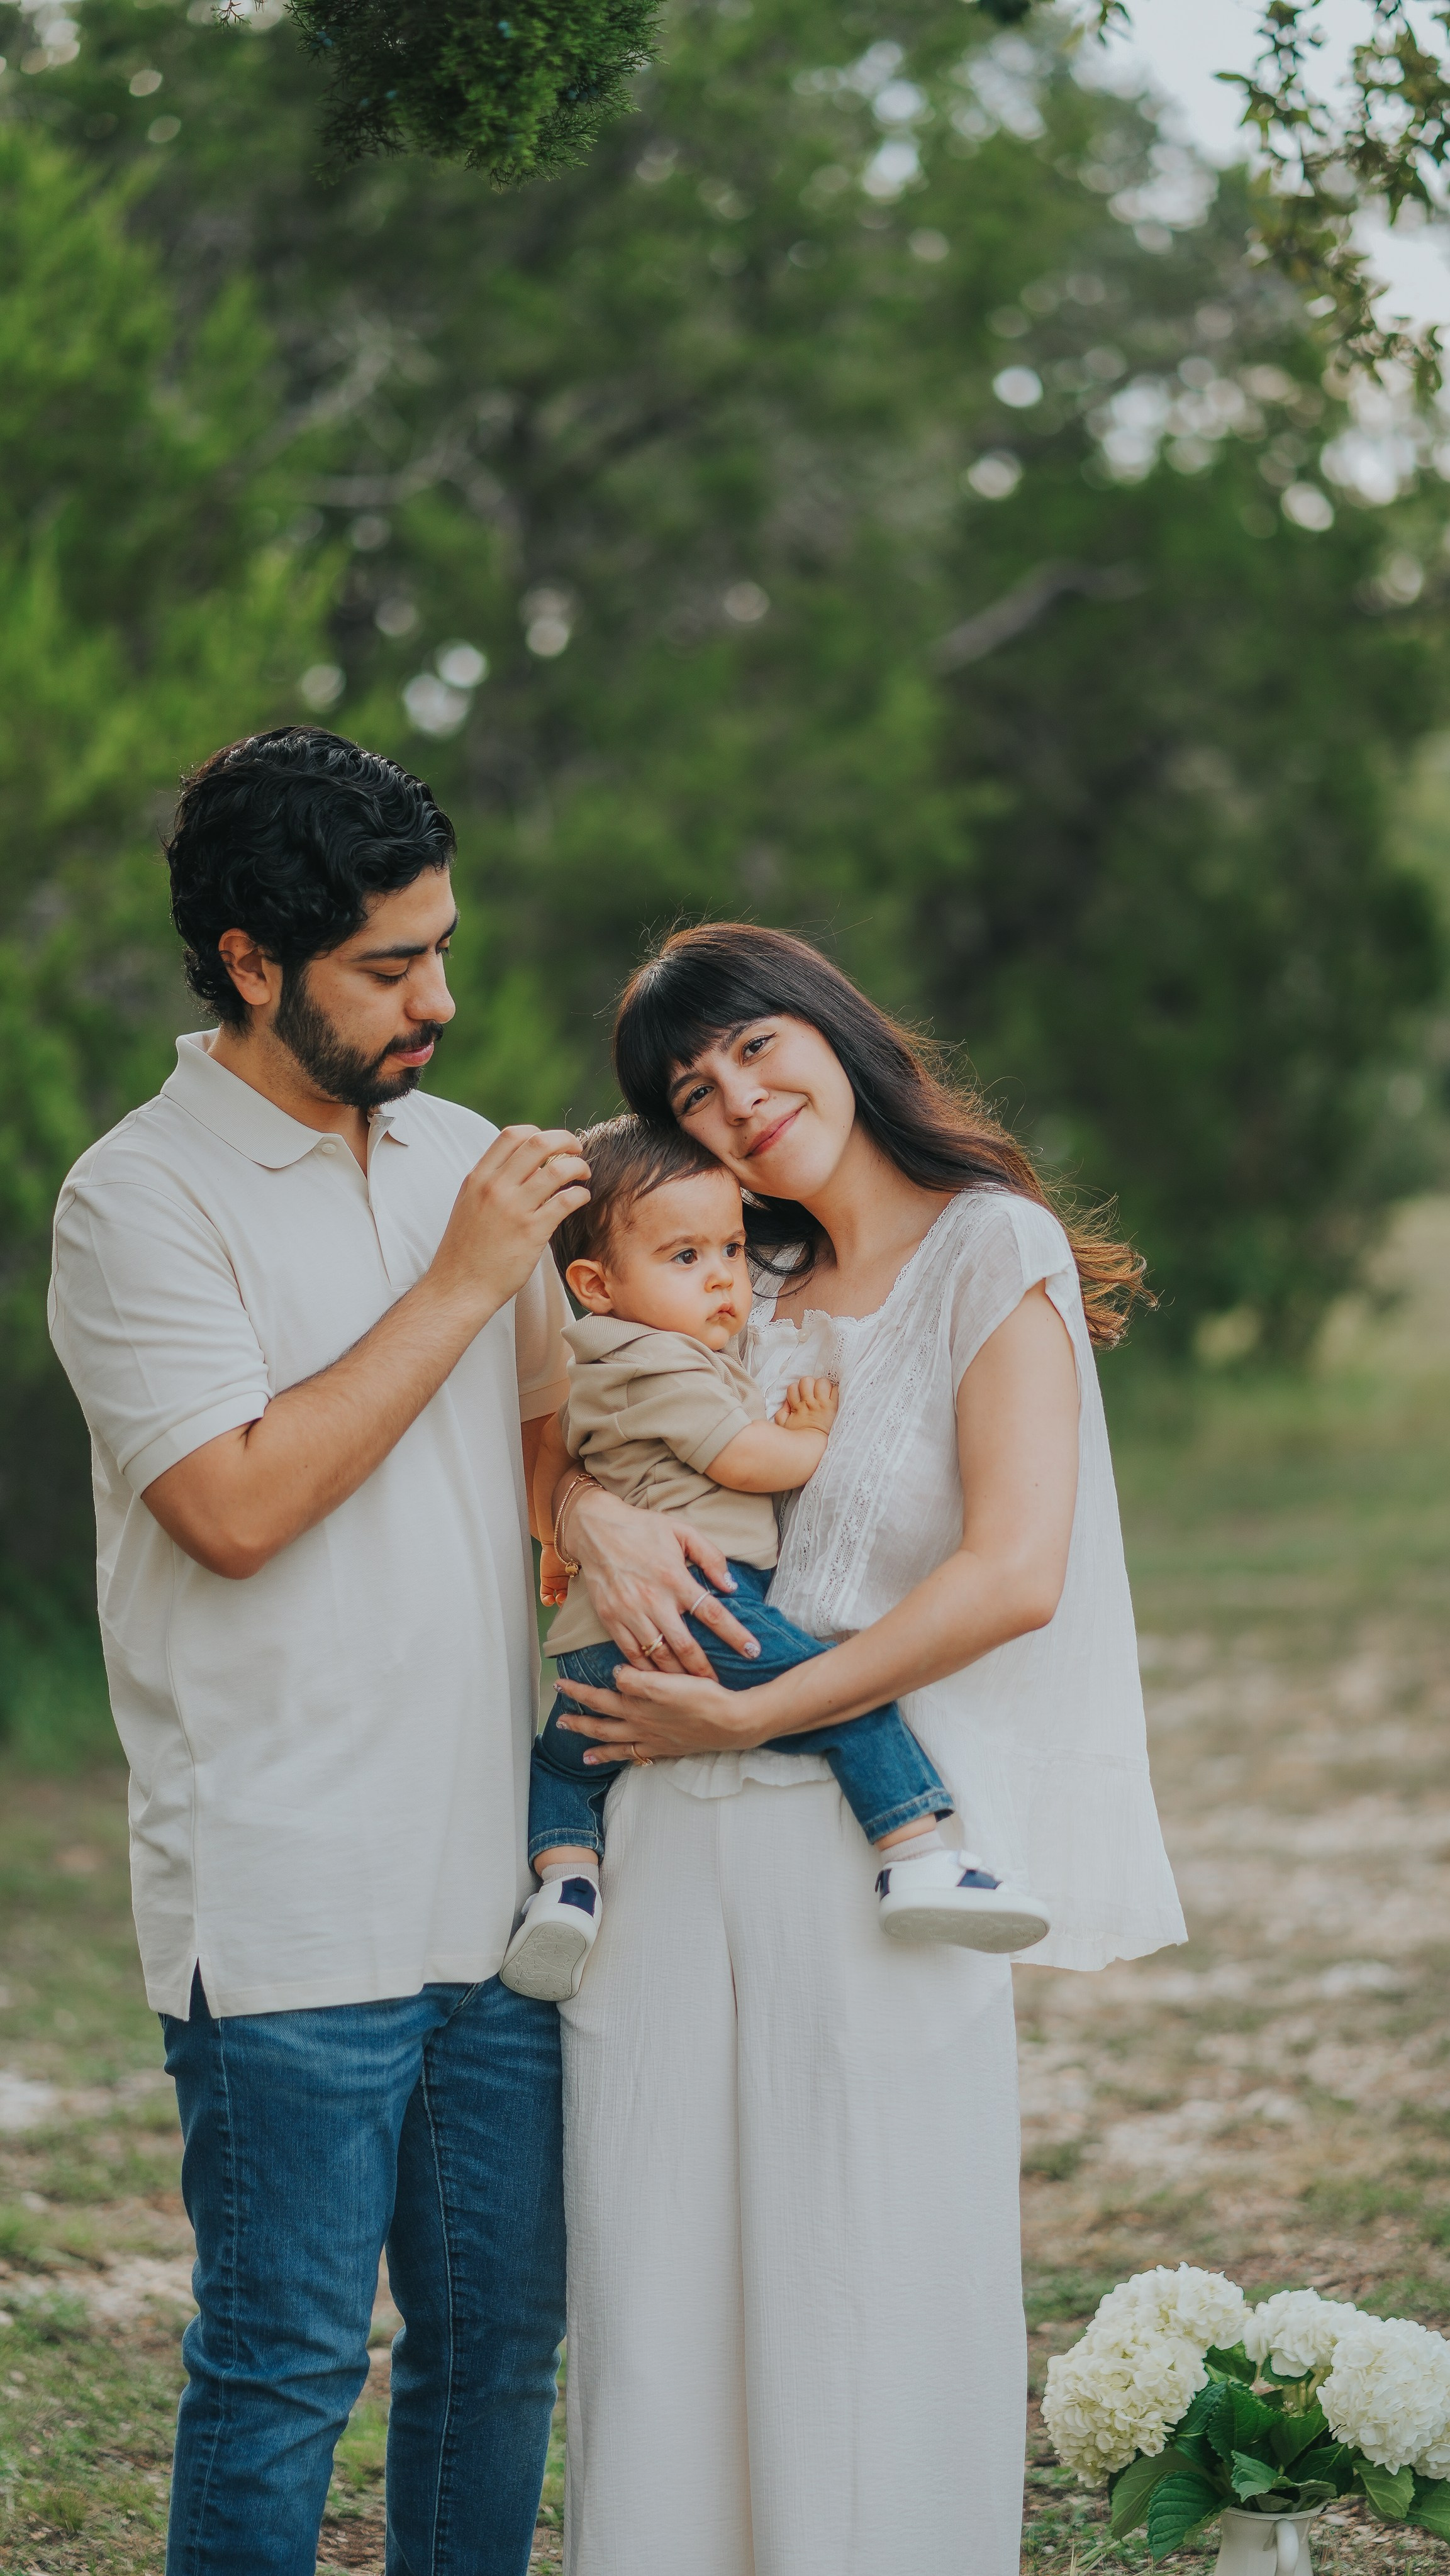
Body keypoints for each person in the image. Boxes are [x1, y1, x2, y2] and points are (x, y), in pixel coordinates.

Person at [45, 729, 764, 2576]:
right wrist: (452, 1279)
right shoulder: (136, 1203)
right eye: (389, 965)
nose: (438, 1000)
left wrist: (579, 1520)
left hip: (504, 1885)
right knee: (284, 2364)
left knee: (496, 2352)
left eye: (441, 948)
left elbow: (553, 1420)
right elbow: (235, 1505)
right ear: (252, 962)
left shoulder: (467, 1161)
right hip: (284, 1893)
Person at [545, 924, 1188, 2576]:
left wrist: (761, 1706)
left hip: (883, 1862)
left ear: (831, 1027)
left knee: (865, 2304)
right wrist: (585, 1510)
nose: (741, 1102)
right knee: (656, 2304)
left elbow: (1010, 1571)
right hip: (662, 1840)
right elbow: (569, 1418)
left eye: (756, 1048)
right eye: (695, 1090)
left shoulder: (994, 1250)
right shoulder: (720, 1282)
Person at [501, 1115, 1051, 2001]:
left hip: (593, 1639)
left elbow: (573, 1470)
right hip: (700, 1608)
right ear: (595, 1284)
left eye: (728, 1246)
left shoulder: (599, 1369)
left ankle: (565, 1888)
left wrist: (562, 1557)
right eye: (684, 1258)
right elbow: (745, 1461)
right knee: (843, 1698)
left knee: (565, 1761)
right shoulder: (660, 1367)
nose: (722, 1275)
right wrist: (811, 1434)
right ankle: (914, 1858)